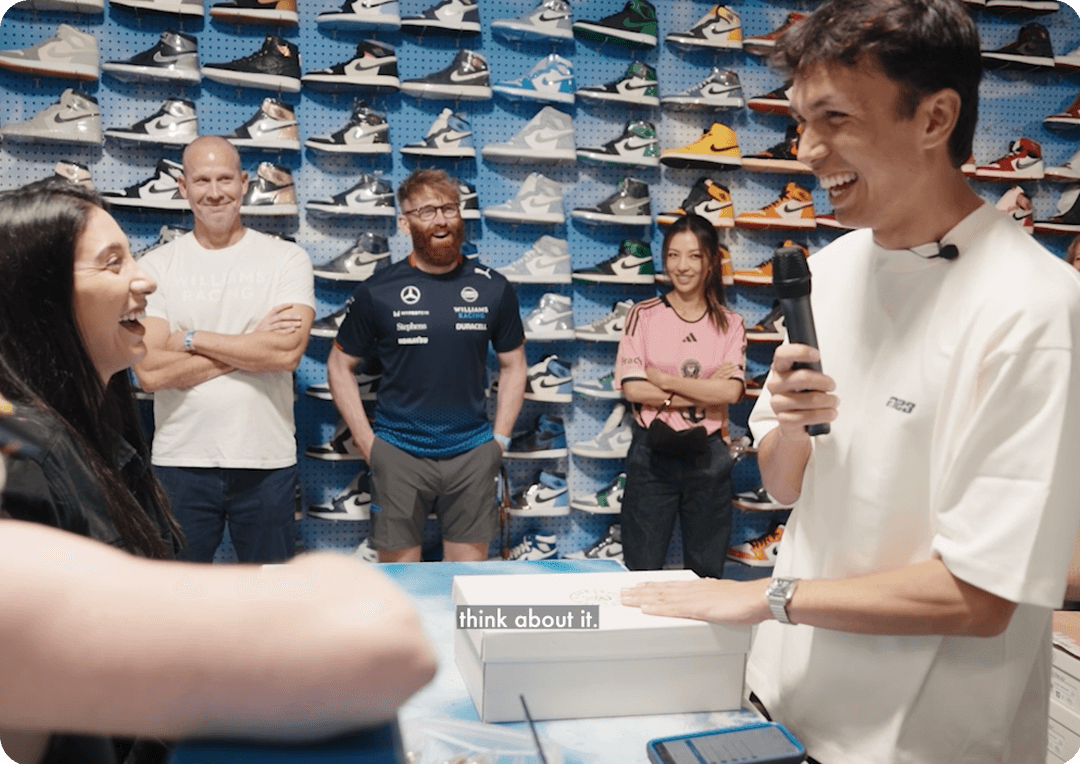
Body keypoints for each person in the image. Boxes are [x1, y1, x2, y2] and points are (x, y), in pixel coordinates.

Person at [622, 1, 1080, 762]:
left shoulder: (1034, 307)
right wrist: (792, 428)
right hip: (785, 703)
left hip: (923, 743)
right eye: (802, 121)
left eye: (834, 118)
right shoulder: (827, 274)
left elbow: (980, 598)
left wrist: (765, 598)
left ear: (934, 118)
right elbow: (784, 487)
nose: (807, 150)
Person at [327, 168, 526, 563]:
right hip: (398, 453)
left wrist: (500, 440)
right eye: (426, 211)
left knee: (467, 581)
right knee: (401, 583)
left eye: (449, 209)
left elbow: (514, 364)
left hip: (472, 453)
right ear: (405, 223)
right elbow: (338, 365)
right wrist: (368, 443)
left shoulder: (493, 287)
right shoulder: (377, 290)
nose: (441, 220)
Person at [134, 136, 315, 564]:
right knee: (177, 593)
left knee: (269, 592)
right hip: (181, 460)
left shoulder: (287, 259)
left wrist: (189, 338)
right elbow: (151, 373)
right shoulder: (155, 266)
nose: (214, 192)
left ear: (244, 182)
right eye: (202, 181)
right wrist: (251, 345)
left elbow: (285, 354)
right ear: (183, 187)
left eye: (224, 179)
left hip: (265, 460)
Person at [0, 181, 179, 565]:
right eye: (113, 262)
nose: (147, 280)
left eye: (131, 256)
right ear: (41, 294)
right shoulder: (23, 457)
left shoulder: (103, 431)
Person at [614, 214, 745, 578]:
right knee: (641, 572)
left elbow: (731, 391)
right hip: (652, 454)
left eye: (693, 256)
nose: (682, 266)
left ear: (711, 261)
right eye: (673, 255)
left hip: (709, 455)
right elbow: (634, 388)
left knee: (707, 576)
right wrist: (705, 390)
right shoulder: (642, 315)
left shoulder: (730, 323)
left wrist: (665, 381)